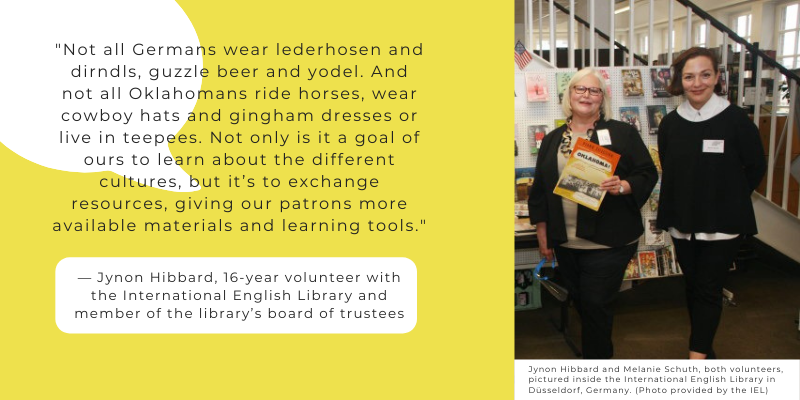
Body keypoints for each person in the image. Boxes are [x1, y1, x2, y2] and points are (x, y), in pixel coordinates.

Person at [528, 68, 658, 359]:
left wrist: (624, 185)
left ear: (602, 98)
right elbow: (540, 191)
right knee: (584, 305)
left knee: (595, 305)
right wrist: (543, 235)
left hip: (608, 241)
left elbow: (646, 173)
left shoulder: (621, 133)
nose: (586, 95)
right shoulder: (552, 139)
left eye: (594, 90)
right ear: (569, 95)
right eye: (579, 89)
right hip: (566, 242)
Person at [656, 47, 766, 360]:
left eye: (705, 75)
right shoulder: (671, 123)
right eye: (689, 76)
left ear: (717, 77)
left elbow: (756, 166)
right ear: (681, 80)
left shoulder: (736, 120)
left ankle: (697, 359)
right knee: (693, 287)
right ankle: (705, 348)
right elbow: (671, 167)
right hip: (683, 222)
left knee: (707, 288)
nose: (697, 82)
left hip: (722, 224)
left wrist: (729, 198)